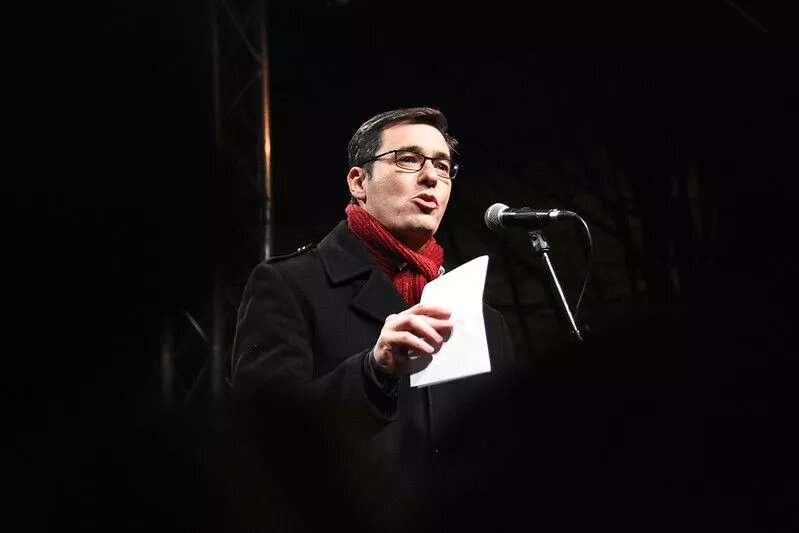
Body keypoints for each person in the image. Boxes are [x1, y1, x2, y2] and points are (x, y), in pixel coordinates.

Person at [230, 107, 515, 530]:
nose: (431, 177)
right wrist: (373, 371)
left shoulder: (483, 319)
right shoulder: (288, 284)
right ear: (359, 182)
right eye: (408, 159)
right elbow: (263, 442)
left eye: (443, 166)